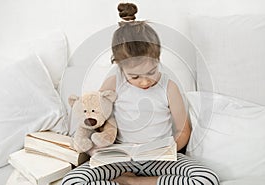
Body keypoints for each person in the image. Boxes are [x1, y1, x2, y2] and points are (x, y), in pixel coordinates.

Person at [62, 3, 219, 185]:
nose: (145, 82)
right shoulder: (114, 81)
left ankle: (134, 183)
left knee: (207, 179)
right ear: (119, 66)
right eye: (135, 76)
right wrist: (95, 147)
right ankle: (128, 179)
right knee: (72, 181)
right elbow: (97, 116)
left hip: (160, 159)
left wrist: (165, 150)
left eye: (151, 72)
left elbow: (183, 131)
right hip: (120, 159)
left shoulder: (169, 87)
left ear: (158, 58)